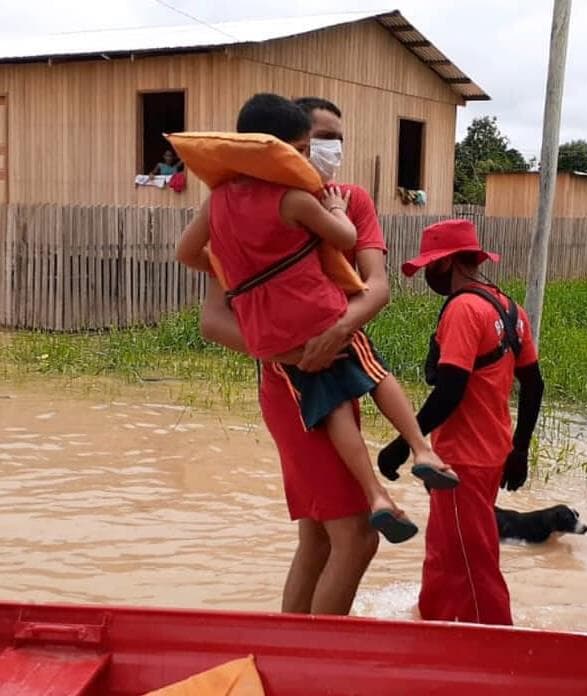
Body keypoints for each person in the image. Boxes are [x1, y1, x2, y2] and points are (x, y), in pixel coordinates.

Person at [177, 93, 456, 547]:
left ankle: (378, 495)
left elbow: (377, 285)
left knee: (321, 531)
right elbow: (213, 321)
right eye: (316, 141)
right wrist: (301, 341)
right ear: (284, 148)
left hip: (300, 339)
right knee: (351, 536)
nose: (326, 151)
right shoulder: (300, 201)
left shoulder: (223, 203)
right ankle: (419, 454)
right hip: (293, 354)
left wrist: (240, 276)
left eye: (335, 140)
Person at [377, 219, 545, 625]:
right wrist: (519, 450)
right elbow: (534, 385)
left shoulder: (463, 309)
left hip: (462, 462)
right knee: (447, 555)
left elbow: (449, 390)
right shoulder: (509, 308)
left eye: (430, 267)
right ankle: (432, 630)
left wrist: (403, 444)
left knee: (472, 562)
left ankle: (496, 646)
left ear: (447, 263)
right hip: (492, 454)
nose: (427, 277)